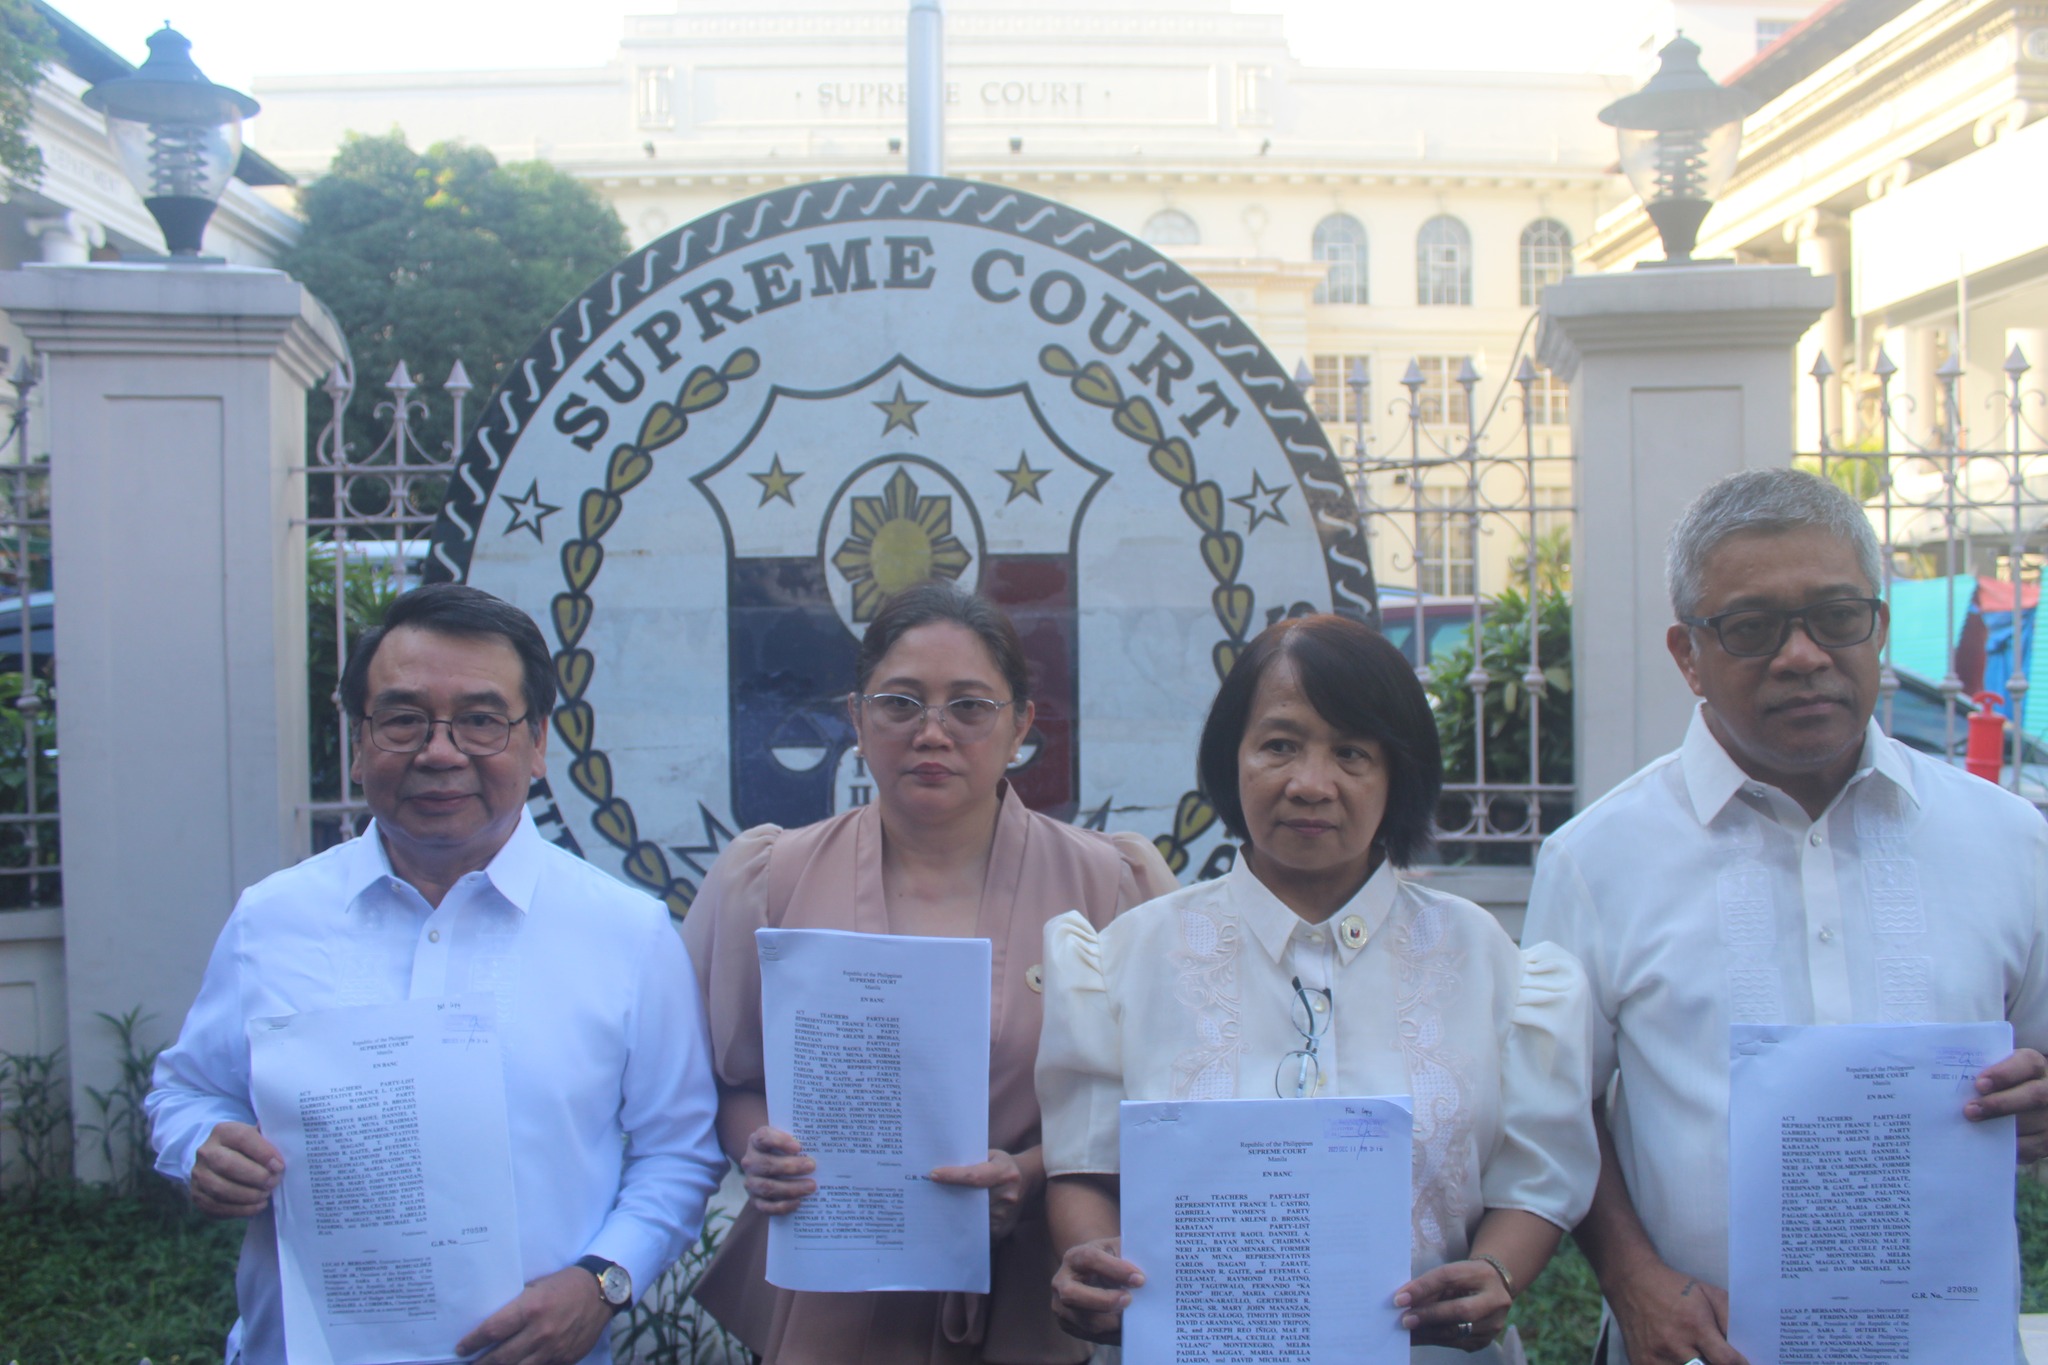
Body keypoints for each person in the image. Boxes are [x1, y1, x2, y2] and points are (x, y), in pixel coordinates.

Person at [1524, 467, 2048, 1365]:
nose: (1802, 655)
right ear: (1688, 653)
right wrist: (1633, 1276)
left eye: (1837, 615)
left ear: (1879, 626)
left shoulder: (2009, 840)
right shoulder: (1596, 860)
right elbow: (1553, 1106)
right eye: (1753, 627)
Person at [148, 583, 726, 1365]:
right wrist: (201, 1146)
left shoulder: (626, 933)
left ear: (537, 742)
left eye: (482, 720)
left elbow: (680, 1150)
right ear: (360, 741)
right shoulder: (273, 920)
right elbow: (187, 1090)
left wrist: (602, 1281)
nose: (440, 751)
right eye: (403, 719)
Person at [1037, 612, 1597, 1361]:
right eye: (1280, 745)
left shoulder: (1484, 956)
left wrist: (1496, 1272)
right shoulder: (1125, 960)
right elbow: (1083, 1168)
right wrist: (1093, 1265)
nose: (1310, 784)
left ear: (1398, 771)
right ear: (1231, 757)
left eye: (1352, 752)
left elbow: (1533, 1176)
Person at [682, 581, 1178, 1365]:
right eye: (900, 703)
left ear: (1021, 725)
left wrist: (1029, 1173)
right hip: (831, 1297)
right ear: (856, 717)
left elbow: (1155, 1099)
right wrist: (759, 1150)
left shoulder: (1106, 886)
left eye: (969, 706)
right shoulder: (773, 878)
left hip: (1028, 1292)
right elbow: (727, 1077)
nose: (933, 732)